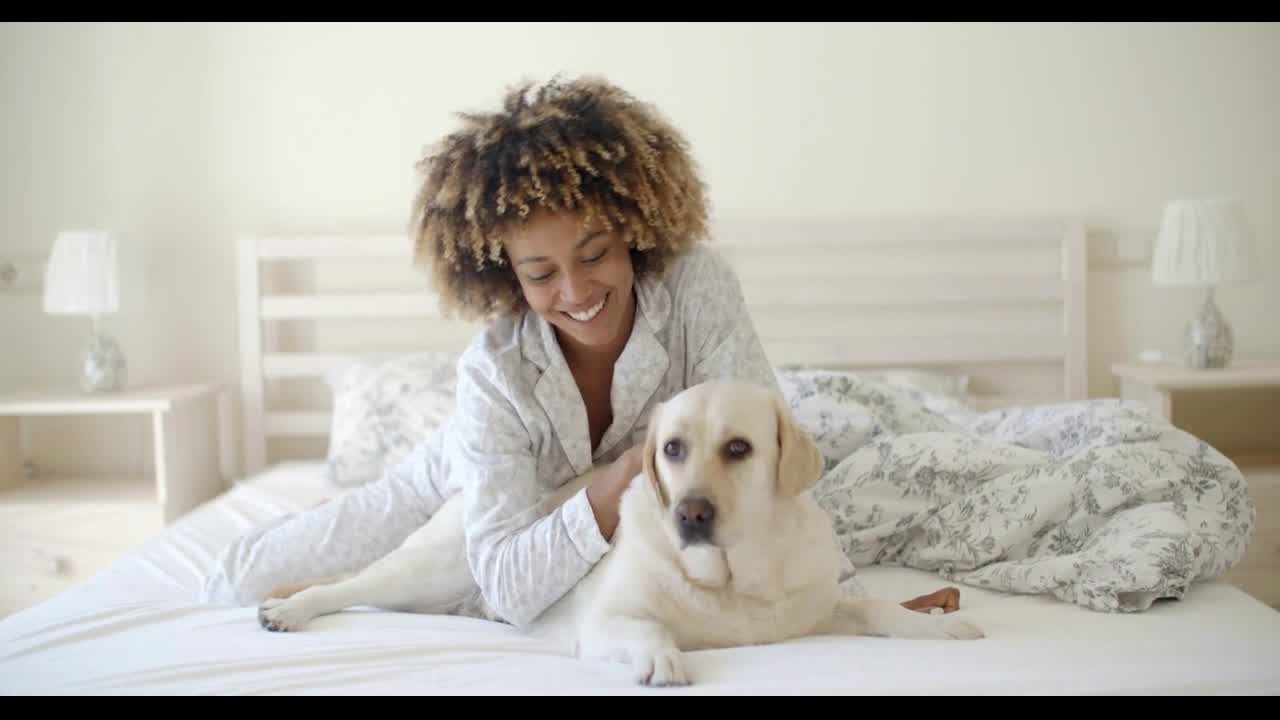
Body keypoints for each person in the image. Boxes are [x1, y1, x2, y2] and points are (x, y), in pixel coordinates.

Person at [200, 75, 960, 628]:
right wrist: (621, 477)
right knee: (239, 579)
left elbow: (769, 468)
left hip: (579, 514)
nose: (576, 289)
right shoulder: (492, 368)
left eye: (595, 253)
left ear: (633, 225)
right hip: (461, 477)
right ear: (503, 275)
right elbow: (505, 584)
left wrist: (851, 602)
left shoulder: (698, 290)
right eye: (540, 273)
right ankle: (331, 575)